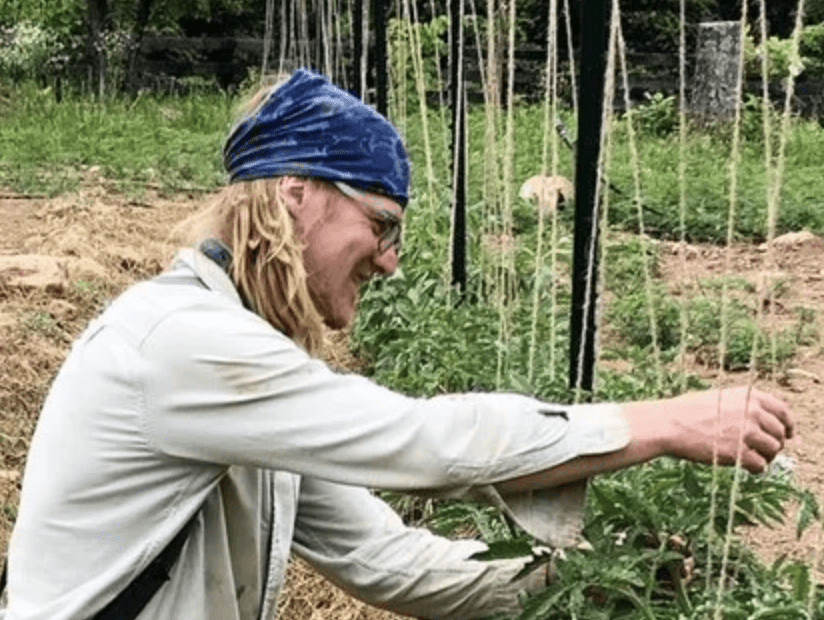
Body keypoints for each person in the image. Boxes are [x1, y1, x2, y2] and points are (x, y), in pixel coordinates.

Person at [0, 68, 793, 620]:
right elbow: (426, 443)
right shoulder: (179, 344)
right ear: (296, 193)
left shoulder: (240, 367)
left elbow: (386, 560)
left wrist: (588, 583)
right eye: (380, 226)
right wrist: (661, 423)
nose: (390, 260)